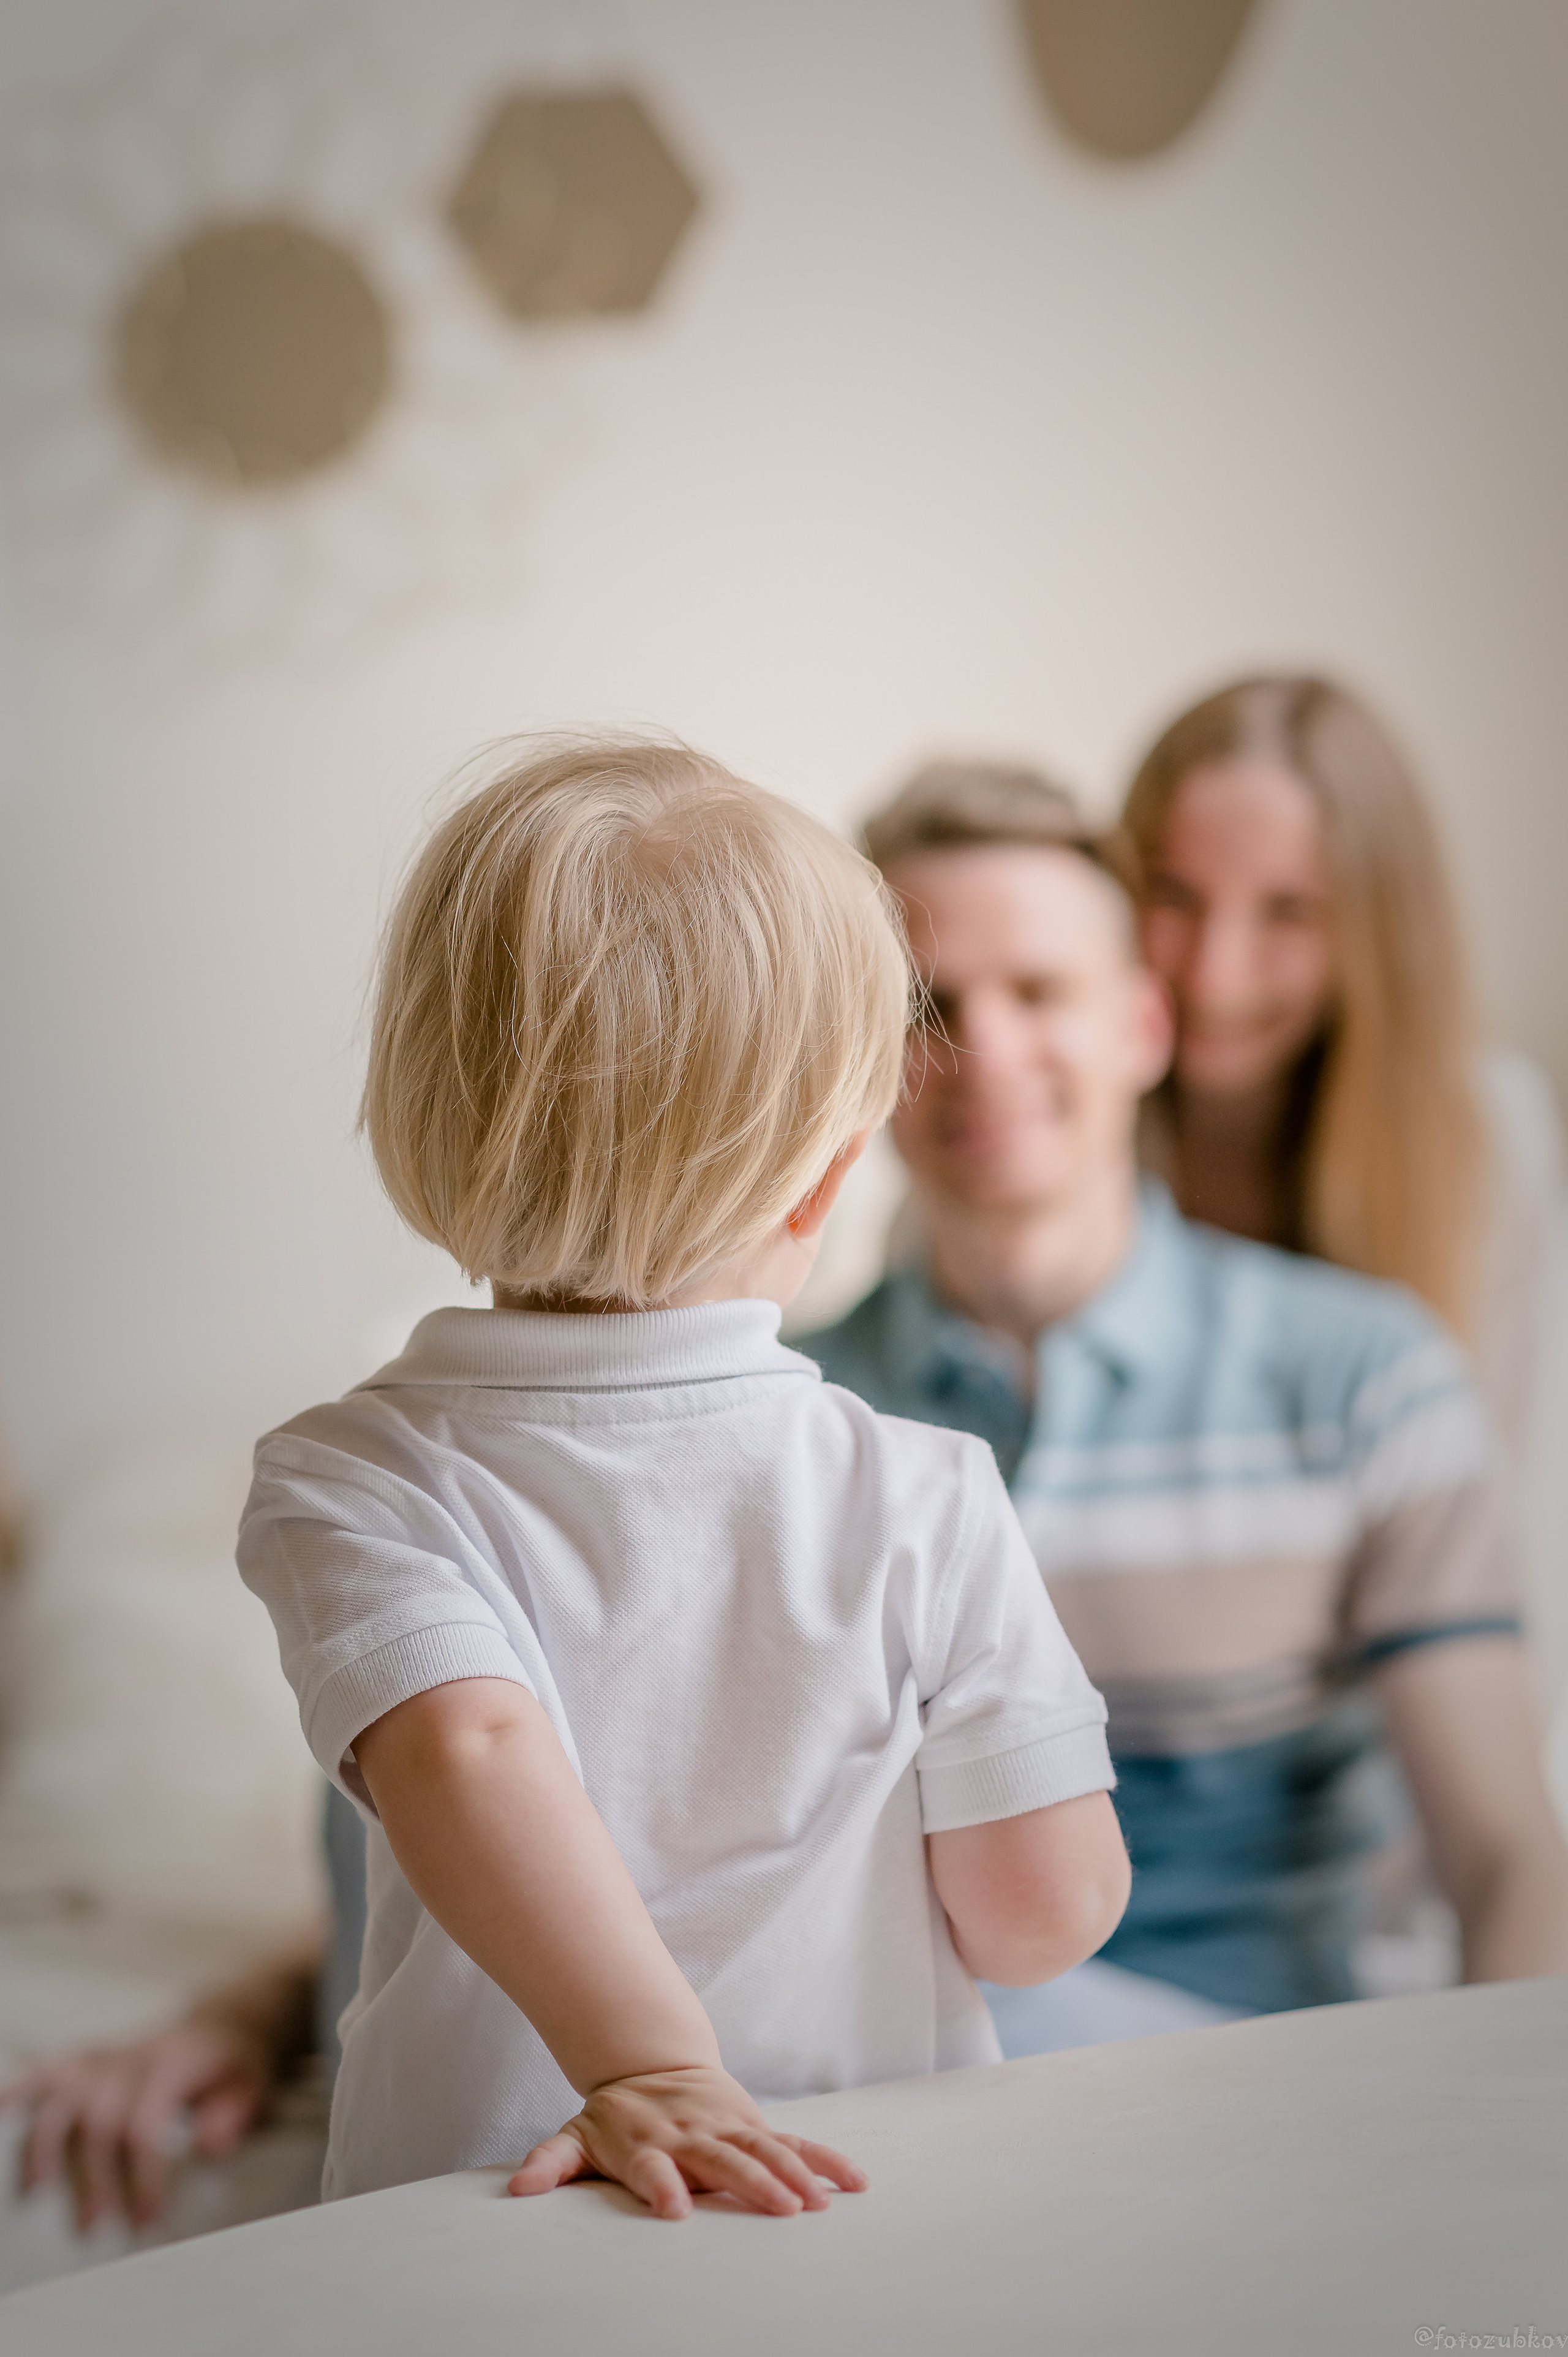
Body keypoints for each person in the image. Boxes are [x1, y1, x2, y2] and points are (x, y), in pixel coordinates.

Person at [235, 738, 1129, 2214]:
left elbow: (461, 1747)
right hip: (856, 2198)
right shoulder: (921, 1490)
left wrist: (638, 2068)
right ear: (826, 1175)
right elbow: (1040, 1915)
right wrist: (655, 2069)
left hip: (472, 2211)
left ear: (430, 1112)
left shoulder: (349, 1476)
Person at [803, 760, 1568, 2044]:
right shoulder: (795, 1412)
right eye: (927, 1004)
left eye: (1038, 992)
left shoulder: (1363, 1375)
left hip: (1260, 2087)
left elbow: (1504, 1856)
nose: (982, 1050)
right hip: (886, 2103)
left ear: (1142, 1028)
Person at [1120, 673, 1564, 1475]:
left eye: (1288, 911)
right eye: (1175, 895)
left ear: (1377, 931)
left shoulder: (1490, 1132)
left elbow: (1519, 1496)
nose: (1216, 975)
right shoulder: (1043, 1110)